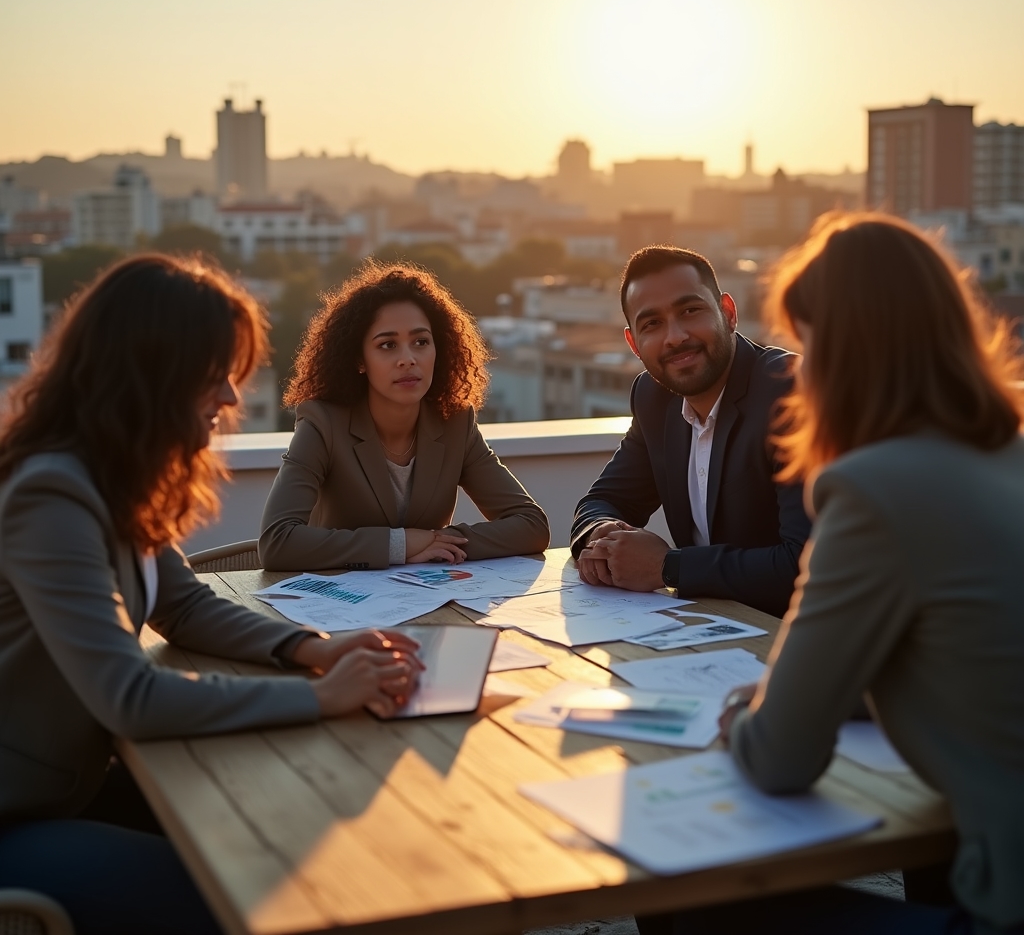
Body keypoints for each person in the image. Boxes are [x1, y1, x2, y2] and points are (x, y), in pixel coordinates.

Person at [0, 255, 423, 935]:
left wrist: (315, 649)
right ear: (149, 369)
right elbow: (130, 699)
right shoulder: (52, 493)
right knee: (250, 891)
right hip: (19, 814)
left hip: (69, 785)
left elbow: (184, 605)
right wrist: (321, 696)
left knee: (280, 829)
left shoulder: (111, 475)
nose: (230, 397)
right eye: (214, 371)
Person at [684, 213, 1024, 934]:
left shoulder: (874, 488)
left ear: (845, 353)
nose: (798, 371)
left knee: (687, 893)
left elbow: (779, 758)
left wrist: (752, 713)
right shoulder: (1010, 454)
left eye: (807, 347)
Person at [259, 261, 549, 571]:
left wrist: (440, 542)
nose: (408, 359)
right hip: (339, 608)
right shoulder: (323, 423)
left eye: (421, 342)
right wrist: (402, 544)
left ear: (440, 349)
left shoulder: (454, 423)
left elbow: (531, 525)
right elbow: (278, 542)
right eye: (387, 345)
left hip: (429, 605)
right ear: (359, 359)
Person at [571, 245, 811, 614]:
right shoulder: (654, 396)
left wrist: (667, 567)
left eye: (690, 310)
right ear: (634, 344)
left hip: (792, 638)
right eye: (652, 323)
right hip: (706, 626)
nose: (675, 336)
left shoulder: (791, 392)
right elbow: (603, 501)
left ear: (728, 313)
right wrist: (600, 534)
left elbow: (806, 563)